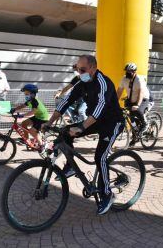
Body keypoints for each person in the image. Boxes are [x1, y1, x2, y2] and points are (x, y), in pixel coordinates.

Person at [46, 55, 124, 215]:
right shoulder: (82, 83)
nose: (79, 72)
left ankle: (107, 194)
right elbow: (65, 101)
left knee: (100, 157)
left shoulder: (103, 83)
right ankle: (70, 167)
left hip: (112, 123)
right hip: (94, 120)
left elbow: (100, 108)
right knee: (65, 132)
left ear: (93, 69)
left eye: (82, 70)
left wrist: (82, 126)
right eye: (76, 68)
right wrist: (49, 122)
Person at [10, 84, 49, 152]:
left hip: (42, 118)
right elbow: (23, 106)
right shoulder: (29, 100)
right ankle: (27, 140)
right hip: (37, 116)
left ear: (33, 94)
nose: (25, 95)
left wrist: (23, 115)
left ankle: (42, 145)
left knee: (32, 131)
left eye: (27, 93)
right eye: (25, 93)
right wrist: (14, 109)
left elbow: (33, 112)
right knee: (24, 123)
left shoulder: (34, 101)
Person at [116, 62, 150, 139]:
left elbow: (140, 92)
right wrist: (114, 102)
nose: (127, 73)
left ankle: (145, 124)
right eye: (126, 71)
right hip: (131, 99)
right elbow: (119, 91)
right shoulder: (124, 79)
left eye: (129, 71)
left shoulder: (139, 79)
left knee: (138, 110)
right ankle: (135, 134)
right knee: (130, 116)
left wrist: (137, 105)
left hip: (143, 98)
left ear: (134, 72)